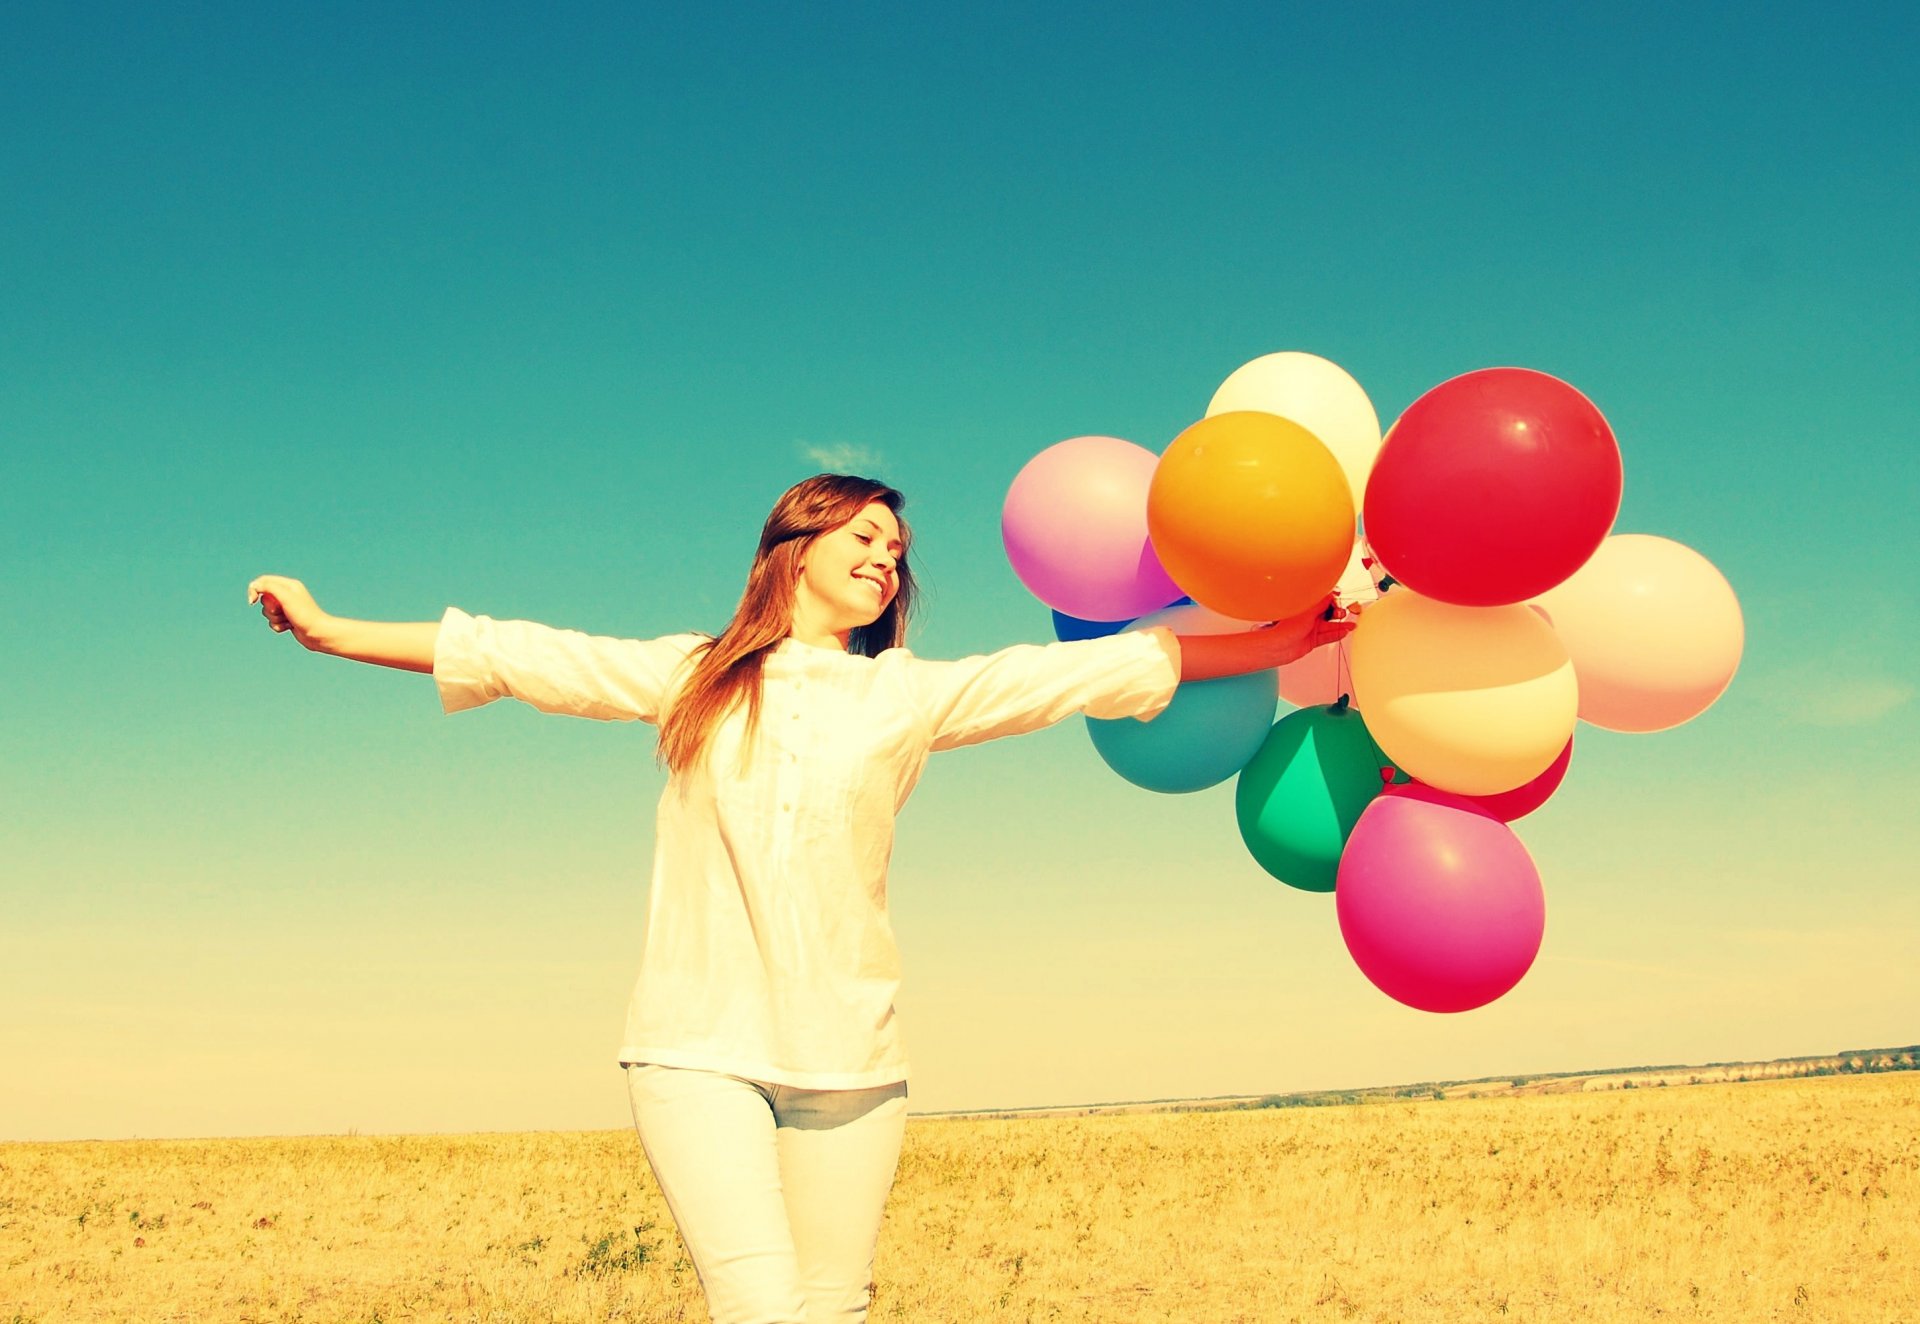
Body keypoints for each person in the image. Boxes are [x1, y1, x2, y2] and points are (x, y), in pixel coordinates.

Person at [247, 472, 1351, 1324]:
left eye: (898, 549)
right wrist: (329, 628)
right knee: (764, 1310)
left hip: (853, 1060)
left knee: (834, 1309)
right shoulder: (698, 673)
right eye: (864, 535)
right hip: (698, 1046)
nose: (885, 555)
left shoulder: (908, 694)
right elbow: (512, 654)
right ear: (796, 544)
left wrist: (1286, 641)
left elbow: (1108, 667)